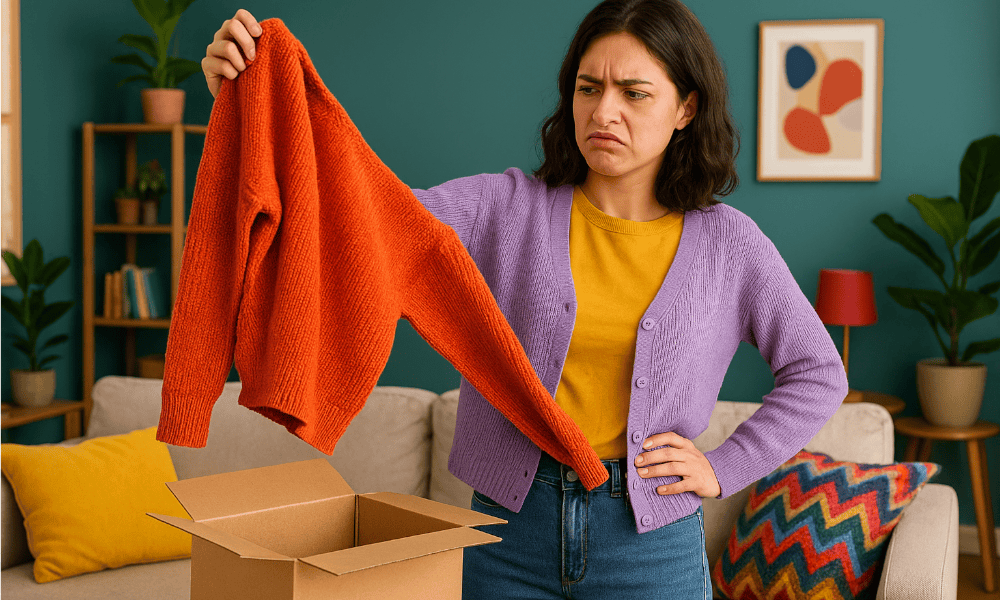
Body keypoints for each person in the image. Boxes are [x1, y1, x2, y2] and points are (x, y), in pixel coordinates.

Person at [201, 2, 848, 598]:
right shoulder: (502, 208)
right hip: (508, 532)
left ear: (685, 108)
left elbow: (819, 372)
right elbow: (357, 220)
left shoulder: (729, 245)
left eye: (634, 92)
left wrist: (725, 465)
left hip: (651, 544)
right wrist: (251, 107)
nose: (604, 112)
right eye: (588, 88)